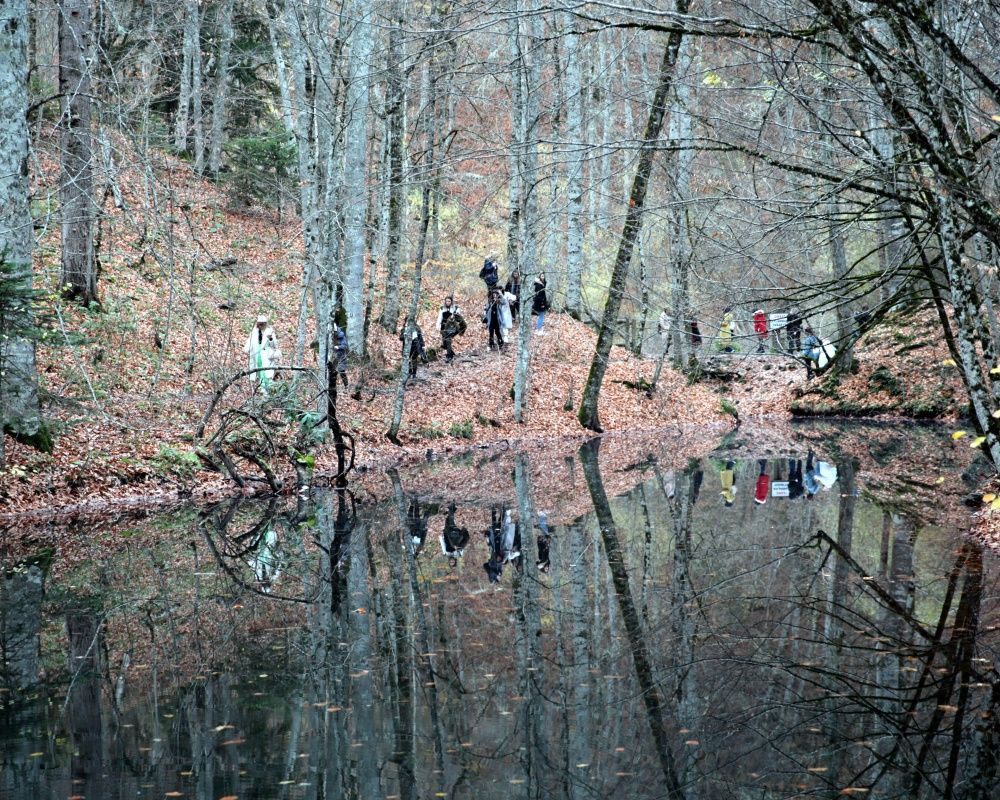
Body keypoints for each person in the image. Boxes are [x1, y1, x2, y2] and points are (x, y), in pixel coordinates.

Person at [244, 314, 281, 394]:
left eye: (262, 324)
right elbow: (250, 342)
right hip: (257, 355)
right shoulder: (254, 332)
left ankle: (270, 391)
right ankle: (262, 390)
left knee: (267, 373)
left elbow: (274, 345)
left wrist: (271, 338)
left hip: (266, 356)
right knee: (259, 372)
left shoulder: (269, 331)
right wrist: (247, 349)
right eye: (259, 324)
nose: (260, 326)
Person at [439, 503, 470, 568]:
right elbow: (463, 545)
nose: (451, 561)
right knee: (451, 522)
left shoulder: (446, 554)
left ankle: (452, 510)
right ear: (455, 561)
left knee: (447, 521)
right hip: (455, 535)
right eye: (453, 562)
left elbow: (443, 545)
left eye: (450, 562)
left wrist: (441, 537)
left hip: (447, 535)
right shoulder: (459, 554)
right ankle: (451, 507)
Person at [436, 296, 466, 363]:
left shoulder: (455, 308)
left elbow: (458, 316)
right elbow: (439, 318)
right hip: (444, 327)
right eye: (446, 301)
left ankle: (449, 356)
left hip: (452, 328)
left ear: (451, 302)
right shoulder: (442, 308)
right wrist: (438, 326)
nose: (447, 302)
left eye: (449, 301)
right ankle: (451, 353)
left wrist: (454, 315)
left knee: (448, 340)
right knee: (444, 343)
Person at [332, 324, 349, 388]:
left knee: (342, 371)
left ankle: (346, 385)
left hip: (341, 356)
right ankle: (333, 386)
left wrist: (338, 347)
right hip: (334, 357)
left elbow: (345, 346)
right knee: (332, 371)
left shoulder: (342, 336)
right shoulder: (330, 335)